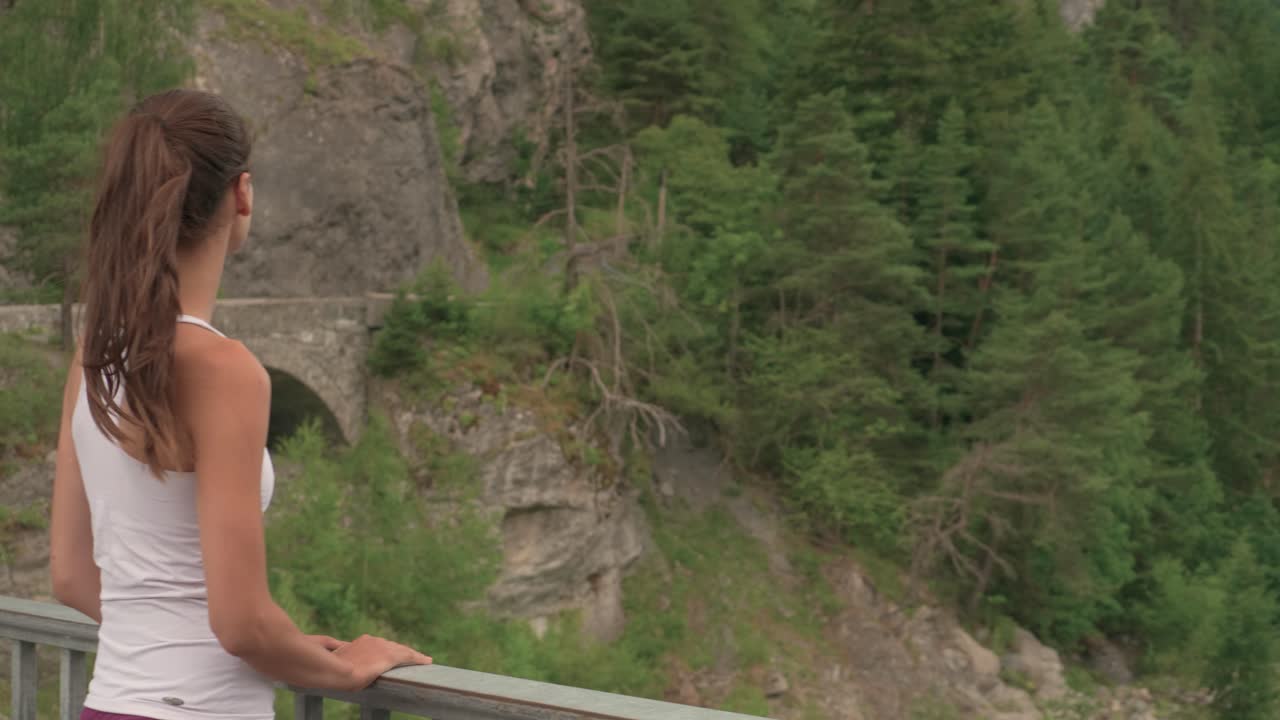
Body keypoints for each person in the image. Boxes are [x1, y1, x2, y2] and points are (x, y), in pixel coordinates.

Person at [47, 89, 431, 720]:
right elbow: (239, 622)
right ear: (241, 193)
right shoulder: (225, 371)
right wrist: (343, 666)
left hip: (109, 705)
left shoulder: (96, 354)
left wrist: (272, 644)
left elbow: (70, 572)